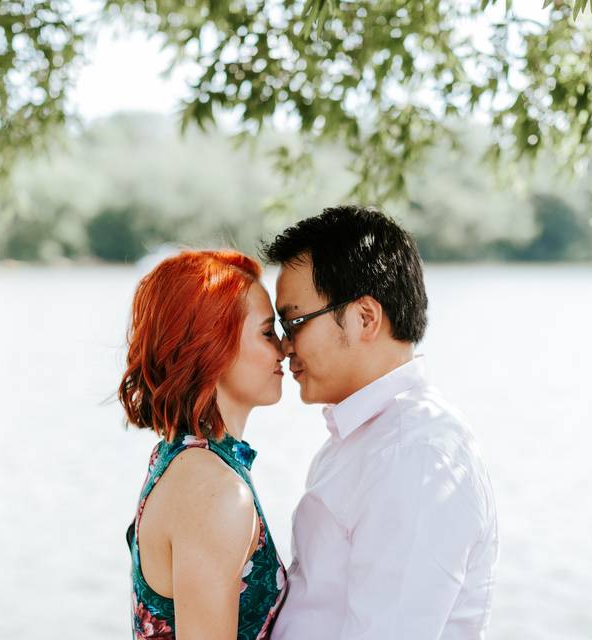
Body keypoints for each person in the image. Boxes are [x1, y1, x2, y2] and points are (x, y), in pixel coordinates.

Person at [264, 206, 499, 639]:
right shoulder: (366, 439)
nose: (282, 345)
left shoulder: (418, 455)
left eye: (293, 322)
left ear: (365, 318)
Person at [119, 250, 288, 640]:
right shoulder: (213, 490)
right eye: (267, 332)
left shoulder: (185, 459)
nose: (284, 348)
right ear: (214, 346)